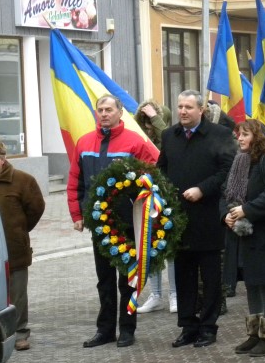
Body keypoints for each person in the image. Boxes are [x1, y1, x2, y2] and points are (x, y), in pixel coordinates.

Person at [68, 94, 159, 349]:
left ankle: (127, 329)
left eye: (109, 109)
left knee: (127, 279)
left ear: (120, 112)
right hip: (99, 222)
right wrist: (77, 214)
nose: (104, 114)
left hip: (127, 221)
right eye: (100, 110)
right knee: (104, 280)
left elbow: (153, 174)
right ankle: (105, 330)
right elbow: (75, 181)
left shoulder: (135, 142)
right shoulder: (84, 142)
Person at [158, 90, 236, 348]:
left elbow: (228, 171)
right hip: (179, 218)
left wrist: (203, 189)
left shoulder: (220, 135)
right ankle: (188, 326)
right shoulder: (169, 135)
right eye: (180, 106)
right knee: (183, 275)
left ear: (201, 110)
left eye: (188, 107)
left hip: (208, 216)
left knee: (211, 277)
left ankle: (208, 327)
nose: (182, 111)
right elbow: (162, 168)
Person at [221, 120, 265, 357]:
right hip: (243, 233)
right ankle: (255, 334)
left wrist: (247, 210)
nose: (239, 138)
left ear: (257, 137)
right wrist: (226, 215)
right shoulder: (240, 160)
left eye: (245, 134)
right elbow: (226, 192)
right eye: (239, 134)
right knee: (251, 283)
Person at [0, 134, 45, 352]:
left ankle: (20, 333)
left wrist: (19, 230)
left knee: (17, 294)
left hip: (15, 248)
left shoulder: (23, 181)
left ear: (2, 158)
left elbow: (36, 208)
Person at [133, 100, 178, 314]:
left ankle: (174, 294)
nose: (148, 127)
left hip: (167, 198)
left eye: (151, 122)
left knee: (170, 249)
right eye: (146, 123)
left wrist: (155, 117)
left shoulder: (169, 137)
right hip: (144, 197)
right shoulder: (140, 140)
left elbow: (168, 141)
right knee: (149, 246)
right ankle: (156, 294)